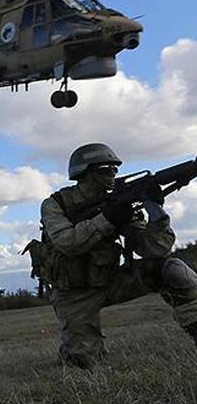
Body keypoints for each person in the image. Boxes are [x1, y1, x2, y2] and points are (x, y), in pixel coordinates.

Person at [41, 143, 197, 369]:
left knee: (174, 269)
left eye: (115, 170)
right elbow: (68, 243)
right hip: (73, 294)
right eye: (105, 169)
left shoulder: (118, 203)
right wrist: (108, 219)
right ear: (84, 173)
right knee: (83, 364)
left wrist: (157, 211)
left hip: (111, 281)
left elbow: (153, 250)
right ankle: (74, 353)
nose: (113, 175)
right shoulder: (56, 204)